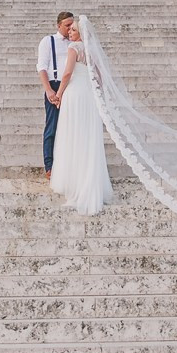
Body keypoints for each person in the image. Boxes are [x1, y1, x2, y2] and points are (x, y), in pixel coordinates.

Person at [50, 19, 113, 215]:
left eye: (74, 30)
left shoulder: (74, 48)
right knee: (88, 138)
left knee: (74, 136)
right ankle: (90, 182)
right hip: (89, 96)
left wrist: (59, 93)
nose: (70, 32)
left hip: (75, 94)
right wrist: (98, 94)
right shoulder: (91, 50)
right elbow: (100, 76)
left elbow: (67, 73)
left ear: (80, 33)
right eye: (70, 29)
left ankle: (76, 184)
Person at [36, 10, 73, 178]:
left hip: (71, 87)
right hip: (54, 84)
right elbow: (42, 67)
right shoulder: (48, 41)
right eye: (67, 25)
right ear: (59, 26)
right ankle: (49, 166)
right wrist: (49, 90)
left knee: (69, 127)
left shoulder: (74, 42)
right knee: (52, 127)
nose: (70, 28)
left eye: (72, 25)